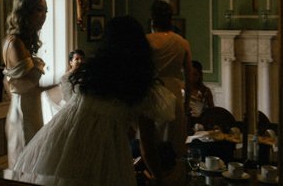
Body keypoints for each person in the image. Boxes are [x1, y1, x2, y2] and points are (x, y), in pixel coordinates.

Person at [11, 16, 176, 186]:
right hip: (106, 150)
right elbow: (147, 147)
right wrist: (160, 179)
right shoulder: (139, 85)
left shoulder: (91, 74)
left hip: (68, 139)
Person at [2, 0, 58, 169]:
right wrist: (60, 83)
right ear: (25, 11)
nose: (43, 16)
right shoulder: (14, 43)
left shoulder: (23, 42)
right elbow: (26, 87)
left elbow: (10, 83)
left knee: (35, 162)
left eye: (45, 11)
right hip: (23, 112)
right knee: (25, 163)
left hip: (31, 109)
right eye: (38, 10)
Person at [146, 0, 194, 163]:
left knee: (150, 144)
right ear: (170, 19)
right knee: (174, 148)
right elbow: (189, 77)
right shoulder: (182, 42)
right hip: (174, 95)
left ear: (153, 19)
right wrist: (186, 106)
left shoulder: (146, 41)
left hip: (151, 93)